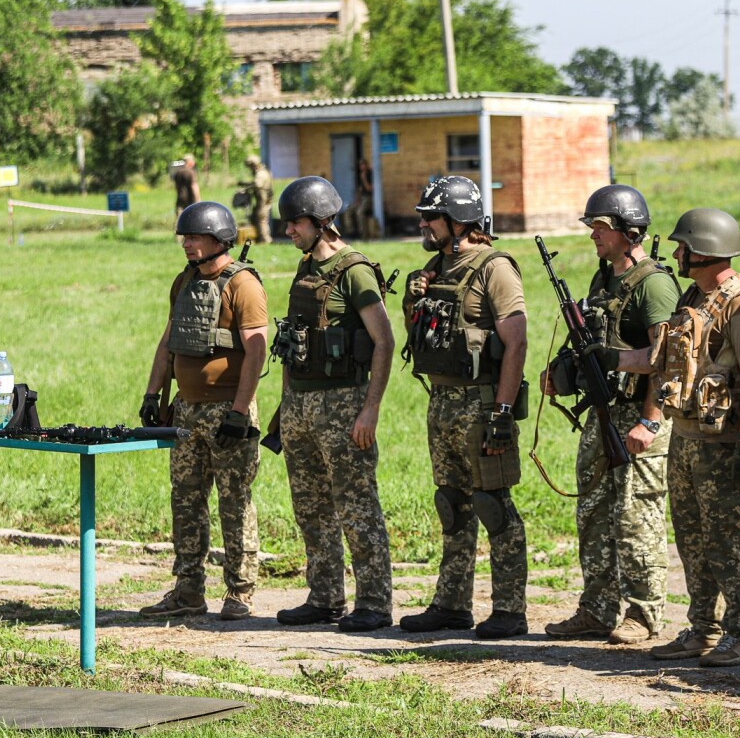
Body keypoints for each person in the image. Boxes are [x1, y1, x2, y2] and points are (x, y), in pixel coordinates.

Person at [617, 208, 740, 666]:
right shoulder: (694, 297)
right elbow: (662, 359)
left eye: (684, 247)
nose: (678, 254)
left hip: (722, 445)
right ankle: (704, 628)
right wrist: (611, 358)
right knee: (691, 538)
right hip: (685, 438)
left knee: (728, 539)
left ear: (704, 250)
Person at [542, 185, 679, 646]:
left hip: (640, 416)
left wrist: (651, 419)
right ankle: (597, 608)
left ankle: (643, 612)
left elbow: (668, 359)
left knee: (637, 515)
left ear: (627, 230)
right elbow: (591, 345)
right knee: (594, 512)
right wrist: (563, 370)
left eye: (600, 226)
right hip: (604, 413)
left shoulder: (654, 284)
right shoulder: (604, 281)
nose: (593, 235)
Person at [399, 176, 531, 640]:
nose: (422, 223)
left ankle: (510, 610)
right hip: (441, 401)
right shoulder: (437, 267)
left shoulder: (494, 268)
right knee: (452, 506)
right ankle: (452, 604)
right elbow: (425, 334)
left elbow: (516, 343)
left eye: (430, 216)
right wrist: (412, 301)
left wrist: (502, 411)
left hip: (481, 405)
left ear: (457, 222)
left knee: (493, 506)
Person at [269, 176, 396, 633]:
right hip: (301, 405)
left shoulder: (354, 271)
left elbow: (384, 341)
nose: (289, 231)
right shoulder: (306, 268)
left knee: (356, 504)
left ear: (321, 222)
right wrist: (284, 409)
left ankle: (376, 603)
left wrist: (370, 409)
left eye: (295, 223)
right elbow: (291, 342)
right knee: (311, 507)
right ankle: (325, 597)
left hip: (344, 405)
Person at [138, 202, 267, 621]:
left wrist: (239, 411)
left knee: (235, 501)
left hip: (228, 411)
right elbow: (168, 341)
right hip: (186, 413)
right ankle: (188, 589)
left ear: (217, 239)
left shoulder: (243, 285)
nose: (187, 244)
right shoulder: (184, 282)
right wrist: (153, 392)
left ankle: (241, 591)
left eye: (193, 237)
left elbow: (255, 354)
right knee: (186, 501)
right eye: (185, 237)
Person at [244, 155, 274, 243]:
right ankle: (258, 238)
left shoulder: (261, 173)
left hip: (263, 201)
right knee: (256, 218)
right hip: (261, 200)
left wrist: (246, 187)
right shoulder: (262, 172)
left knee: (261, 220)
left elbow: (257, 184)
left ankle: (265, 239)